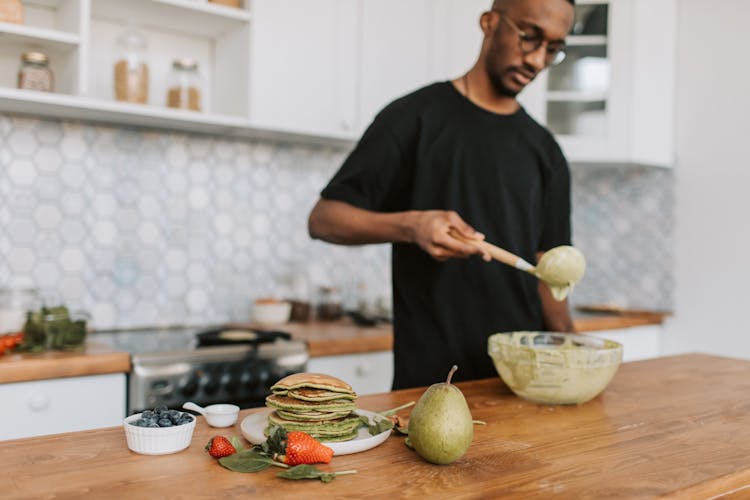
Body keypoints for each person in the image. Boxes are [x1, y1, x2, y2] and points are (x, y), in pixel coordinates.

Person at [308, 0, 576, 390]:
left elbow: (547, 271)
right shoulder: (413, 117)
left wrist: (573, 353)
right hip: (430, 387)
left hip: (519, 385)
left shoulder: (546, 151)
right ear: (489, 23)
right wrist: (412, 225)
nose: (536, 60)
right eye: (528, 37)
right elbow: (324, 218)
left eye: (552, 49)